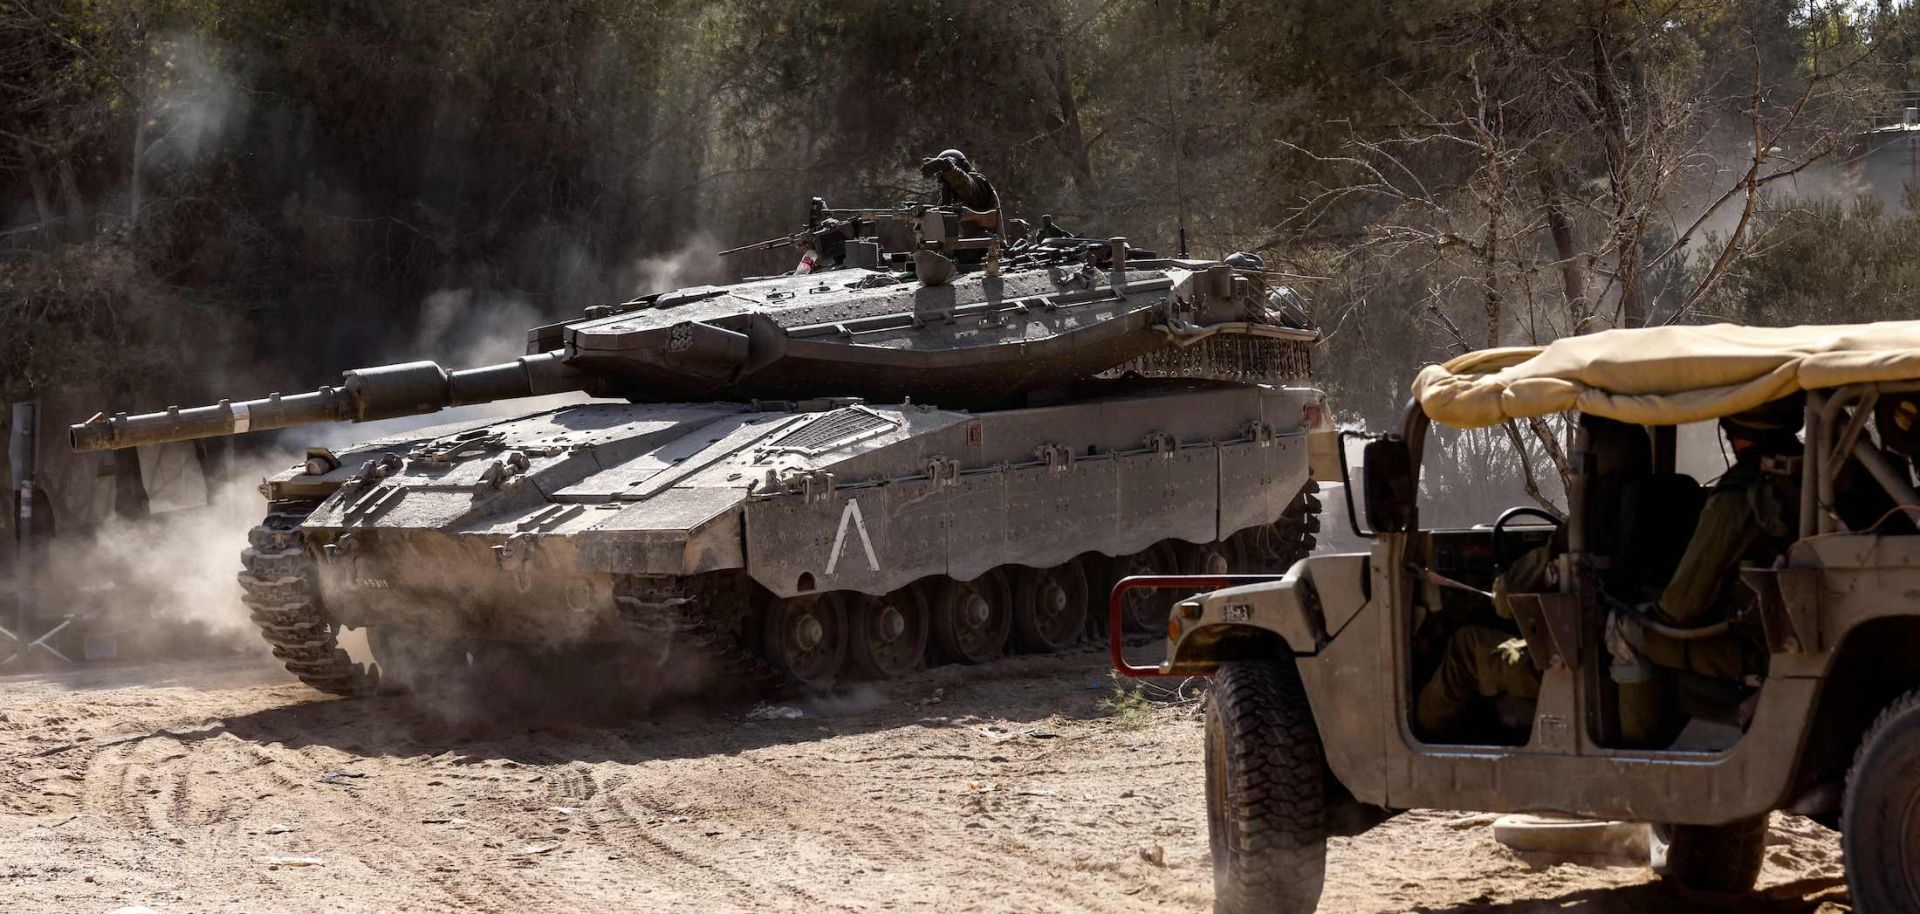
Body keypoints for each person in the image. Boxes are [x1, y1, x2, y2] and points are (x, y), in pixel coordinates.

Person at [1609, 396, 1803, 679]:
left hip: (1764, 648)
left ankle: (1646, 726)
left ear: (1730, 427)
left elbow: (1679, 609)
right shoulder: (1816, 471)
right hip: (1804, 635)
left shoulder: (1742, 495)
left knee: (1624, 630)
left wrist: (1641, 609)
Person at [1414, 544, 1552, 738]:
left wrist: (1504, 589)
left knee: (1466, 648)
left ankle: (1425, 729)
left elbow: (1510, 593)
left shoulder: (1590, 524)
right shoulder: (1599, 525)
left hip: (1567, 662)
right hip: (1587, 647)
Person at [919, 149, 999, 213]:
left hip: (984, 233)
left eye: (945, 175)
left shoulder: (978, 184)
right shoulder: (950, 194)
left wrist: (947, 167)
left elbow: (963, 182)